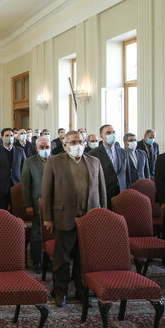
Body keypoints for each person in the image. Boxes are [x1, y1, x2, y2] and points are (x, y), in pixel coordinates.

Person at [41, 130, 106, 307]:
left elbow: (101, 191)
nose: (77, 145)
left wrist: (102, 215)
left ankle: (82, 291)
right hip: (64, 217)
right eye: (73, 142)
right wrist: (48, 217)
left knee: (84, 259)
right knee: (62, 259)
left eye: (80, 141)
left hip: (89, 218)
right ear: (65, 145)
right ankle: (61, 292)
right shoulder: (54, 162)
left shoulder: (94, 162)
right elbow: (47, 192)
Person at [22, 136, 52, 273]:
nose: (45, 150)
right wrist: (28, 204)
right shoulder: (30, 162)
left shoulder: (57, 160)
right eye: (42, 147)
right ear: (37, 148)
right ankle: (37, 262)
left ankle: (49, 261)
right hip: (36, 203)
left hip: (55, 204)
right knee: (37, 235)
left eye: (47, 147)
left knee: (52, 235)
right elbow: (26, 185)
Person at [88, 124, 129, 207]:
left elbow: (127, 174)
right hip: (105, 193)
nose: (112, 135)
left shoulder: (123, 152)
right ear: (101, 136)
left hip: (122, 191)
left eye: (113, 132)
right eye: (108, 133)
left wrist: (128, 190)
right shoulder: (93, 154)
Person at [0, 128, 26, 210]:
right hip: (2, 188)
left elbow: (24, 170)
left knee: (17, 211)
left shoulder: (20, 151)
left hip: (16, 186)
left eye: (11, 135)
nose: (9, 137)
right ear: (2, 137)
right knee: (2, 213)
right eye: (7, 135)